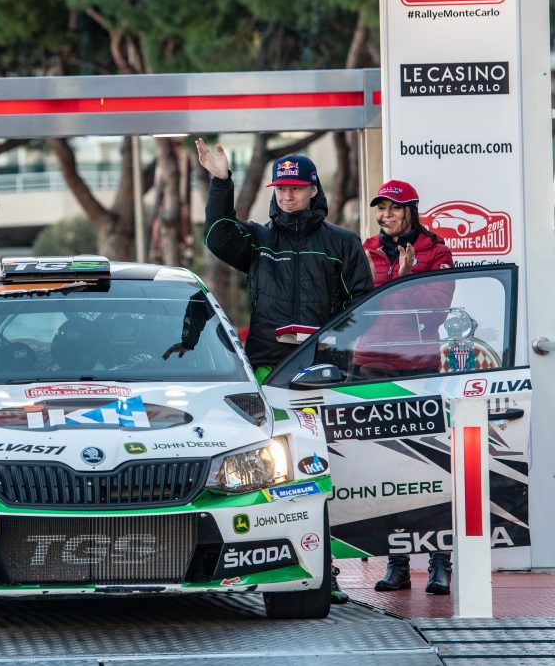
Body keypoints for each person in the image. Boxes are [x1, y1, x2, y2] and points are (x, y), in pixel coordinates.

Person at [195, 140, 374, 604]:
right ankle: (277, 562)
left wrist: (331, 346)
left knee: (323, 472)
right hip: (269, 370)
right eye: (281, 189)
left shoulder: (343, 243)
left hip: (322, 373)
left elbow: (362, 308)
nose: (287, 197)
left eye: (296, 188)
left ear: (314, 190)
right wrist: (221, 182)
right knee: (279, 473)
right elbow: (217, 235)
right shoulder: (258, 239)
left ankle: (325, 571)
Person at [361, 180, 455, 595]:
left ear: (411, 211)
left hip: (420, 366)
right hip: (369, 367)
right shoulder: (365, 249)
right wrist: (398, 282)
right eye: (381, 209)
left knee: (431, 467)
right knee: (385, 468)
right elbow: (358, 307)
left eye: (394, 209)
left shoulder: (437, 250)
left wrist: (405, 278)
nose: (386, 216)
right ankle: (396, 563)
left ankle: (439, 562)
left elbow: (436, 310)